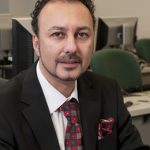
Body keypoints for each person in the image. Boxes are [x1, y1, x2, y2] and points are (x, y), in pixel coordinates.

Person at [0, 0, 150, 150]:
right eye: (58, 34)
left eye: (82, 34)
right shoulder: (5, 106)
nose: (72, 47)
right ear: (36, 44)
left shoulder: (108, 91)